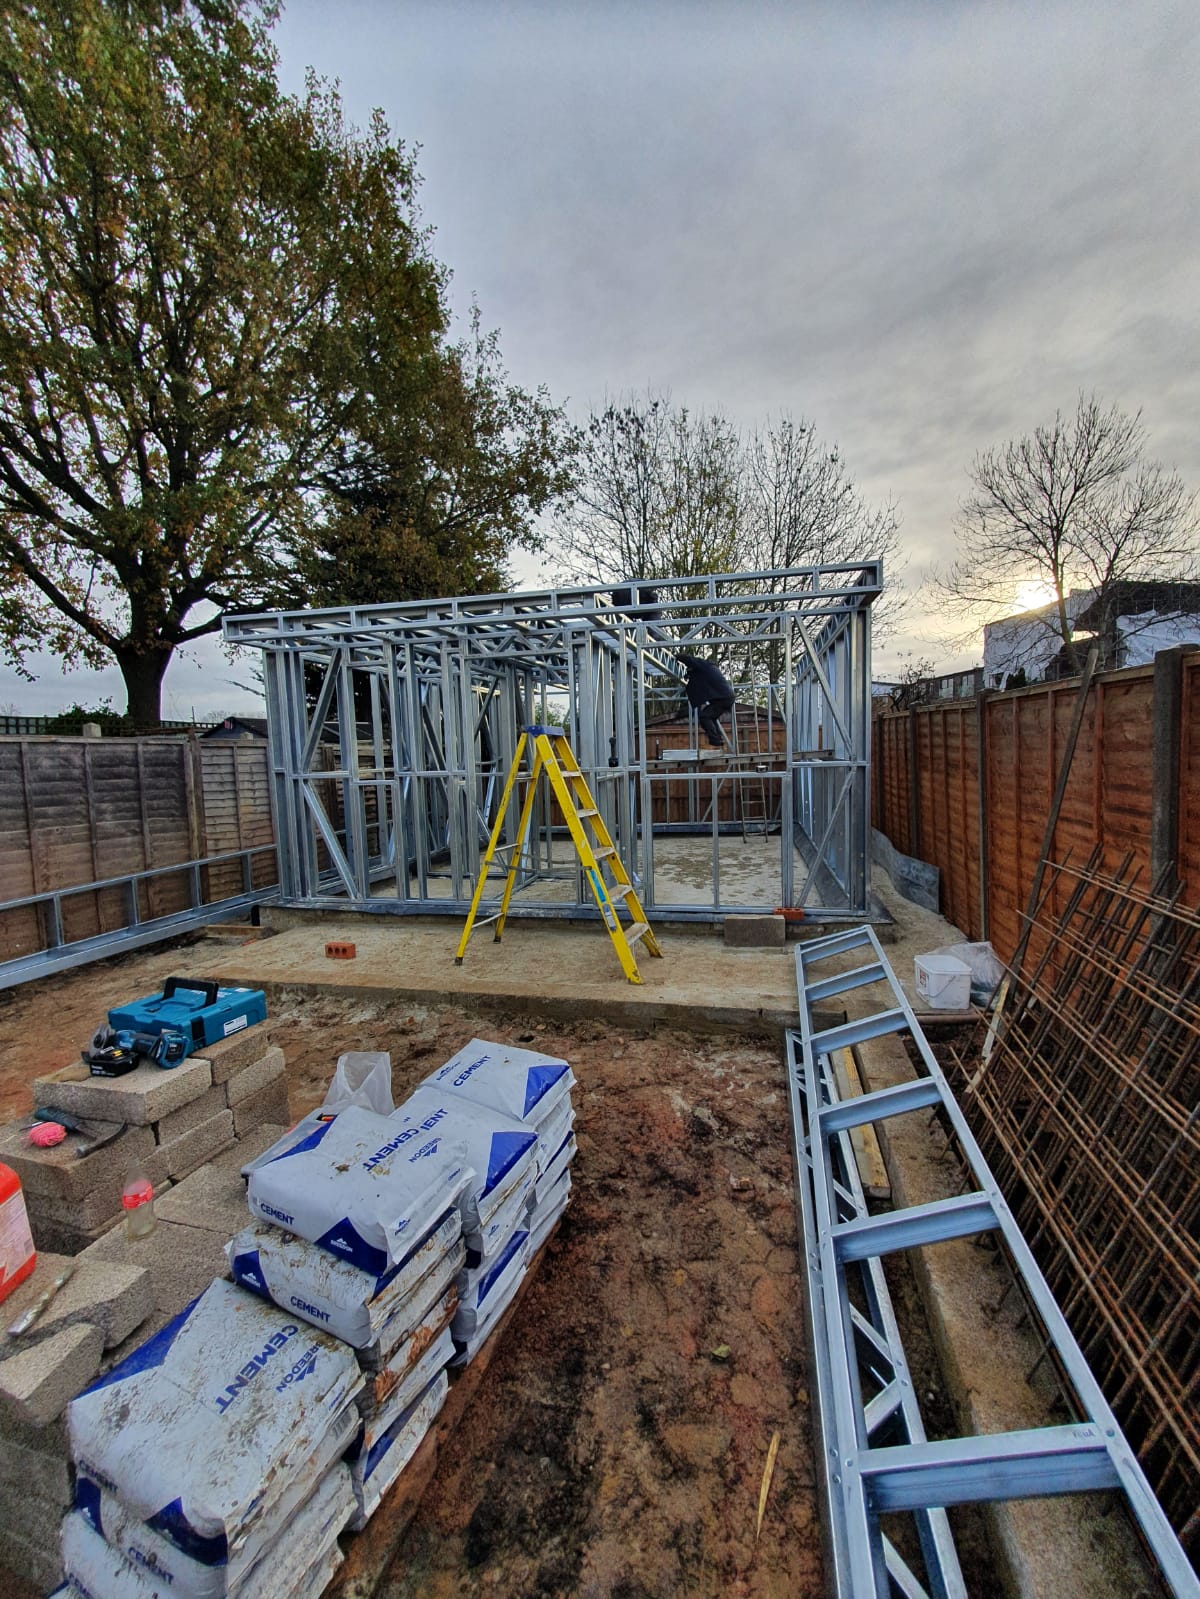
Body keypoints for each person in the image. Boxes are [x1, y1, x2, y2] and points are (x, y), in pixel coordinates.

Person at [676, 653, 734, 747]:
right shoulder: (709, 669)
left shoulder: (703, 665)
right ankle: (719, 738)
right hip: (726, 698)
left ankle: (716, 740)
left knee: (705, 717)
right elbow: (696, 682)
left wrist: (678, 656)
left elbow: (690, 660)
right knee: (711, 717)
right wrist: (689, 676)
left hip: (722, 698)